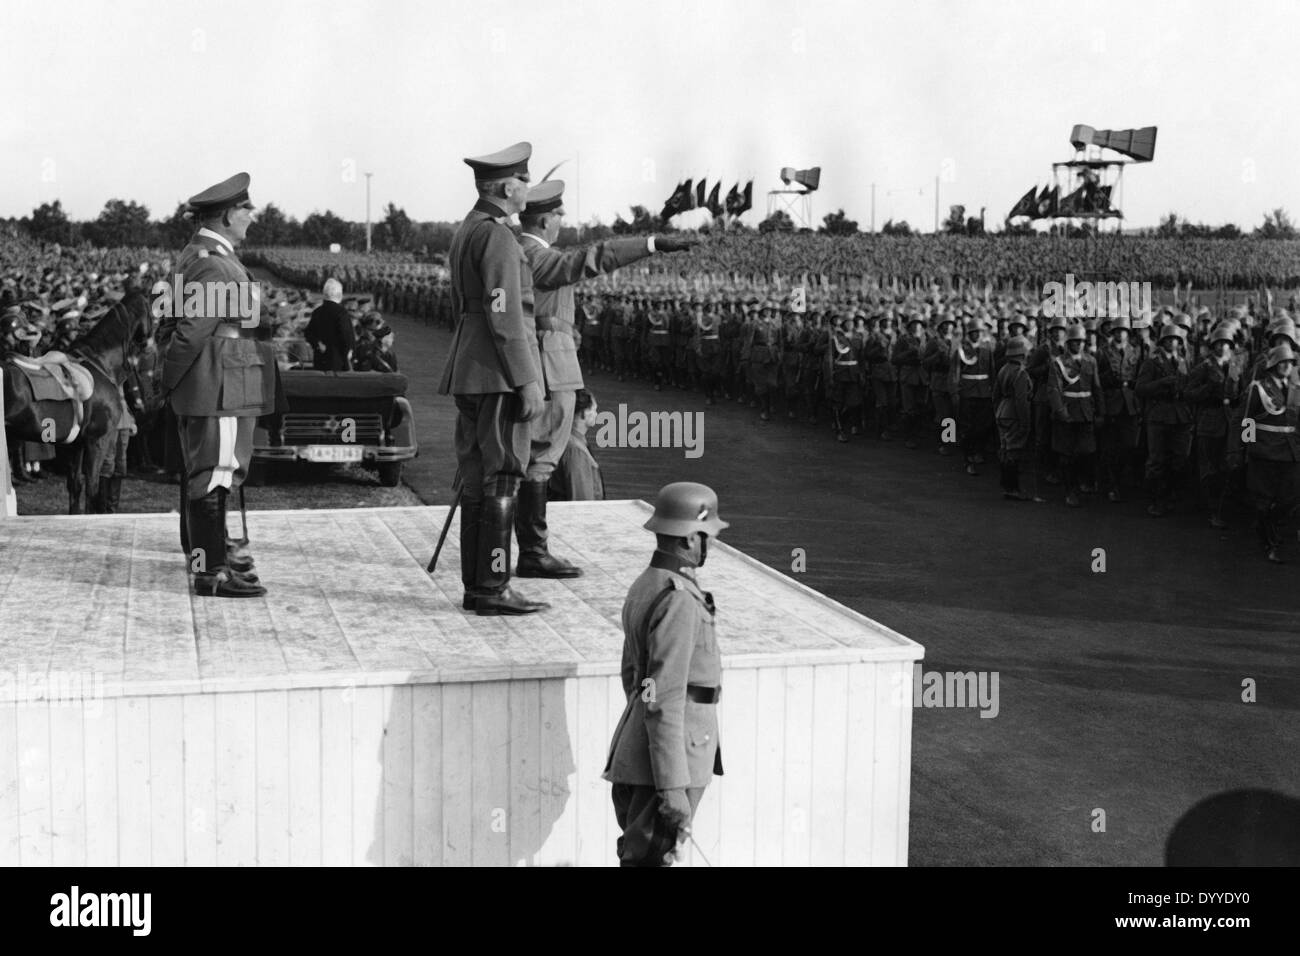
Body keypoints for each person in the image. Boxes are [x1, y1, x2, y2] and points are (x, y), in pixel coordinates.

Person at [516, 179, 696, 578]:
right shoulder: (536, 255)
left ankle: (527, 549)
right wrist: (650, 244)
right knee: (540, 460)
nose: (562, 220)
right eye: (558, 215)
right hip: (548, 368)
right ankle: (533, 552)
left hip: (541, 363)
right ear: (544, 220)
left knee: (531, 460)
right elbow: (592, 258)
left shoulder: (519, 251)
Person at [436, 141, 548, 616]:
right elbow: (506, 315)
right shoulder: (499, 237)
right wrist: (527, 380)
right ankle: (493, 586)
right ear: (505, 188)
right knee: (501, 477)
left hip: (470, 366)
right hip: (498, 373)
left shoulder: (469, 228)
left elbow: (467, 307)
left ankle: (477, 586)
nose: (527, 186)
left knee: (477, 477)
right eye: (523, 180)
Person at [158, 171, 275, 597]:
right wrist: (170, 381)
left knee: (208, 471)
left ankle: (210, 556)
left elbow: (168, 322)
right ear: (227, 215)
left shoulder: (199, 255)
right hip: (219, 382)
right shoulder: (214, 263)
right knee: (215, 473)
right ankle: (212, 573)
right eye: (246, 209)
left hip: (215, 379)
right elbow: (190, 333)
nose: (252, 217)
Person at [604, 481, 726, 867]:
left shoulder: (647, 584)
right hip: (668, 765)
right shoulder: (679, 599)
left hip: (642, 754)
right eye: (708, 535)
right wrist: (672, 785)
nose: (712, 543)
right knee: (651, 861)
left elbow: (635, 678)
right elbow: (665, 695)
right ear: (690, 538)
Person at [1243, 344, 1299, 563]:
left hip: (1290, 452)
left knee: (1291, 497)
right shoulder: (1259, 388)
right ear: (1273, 364)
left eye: (1290, 362)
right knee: (1264, 500)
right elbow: (1247, 419)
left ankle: (1268, 526)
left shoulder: (1295, 388)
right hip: (1264, 451)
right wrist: (1248, 448)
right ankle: (1270, 542)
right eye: (1282, 362)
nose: (1286, 366)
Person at [1136, 322, 1193, 517]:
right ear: (1162, 342)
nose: (1171, 343)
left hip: (1180, 415)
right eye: (1168, 340)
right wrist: (1161, 383)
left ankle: (1171, 495)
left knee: (1179, 458)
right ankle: (1156, 499)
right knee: (1157, 460)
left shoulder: (1184, 361)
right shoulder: (1152, 362)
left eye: (1175, 339)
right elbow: (1140, 389)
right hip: (1159, 414)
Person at [993, 335, 1035, 500]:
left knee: (1005, 448)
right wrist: (1025, 422)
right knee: (1014, 451)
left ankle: (1007, 486)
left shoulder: (1004, 369)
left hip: (1002, 411)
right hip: (1014, 414)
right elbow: (1021, 401)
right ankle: (1013, 488)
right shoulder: (1020, 373)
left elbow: (995, 395)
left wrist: (998, 411)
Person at [548, 388, 604, 501]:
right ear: (584, 413)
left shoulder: (567, 439)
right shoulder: (575, 450)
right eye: (594, 410)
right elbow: (581, 499)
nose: (596, 414)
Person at [304, 278, 354, 371]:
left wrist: (317, 344)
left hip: (320, 360)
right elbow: (346, 336)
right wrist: (347, 351)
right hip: (338, 361)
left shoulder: (317, 312)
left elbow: (308, 333)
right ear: (339, 295)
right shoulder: (341, 313)